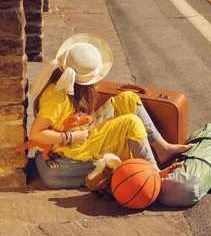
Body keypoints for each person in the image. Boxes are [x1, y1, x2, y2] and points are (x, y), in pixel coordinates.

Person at [29, 33, 192, 186]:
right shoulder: (57, 99)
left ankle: (162, 147)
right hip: (73, 146)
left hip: (82, 132)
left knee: (127, 98)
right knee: (131, 122)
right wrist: (71, 137)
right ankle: (154, 171)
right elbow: (35, 133)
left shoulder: (66, 86)